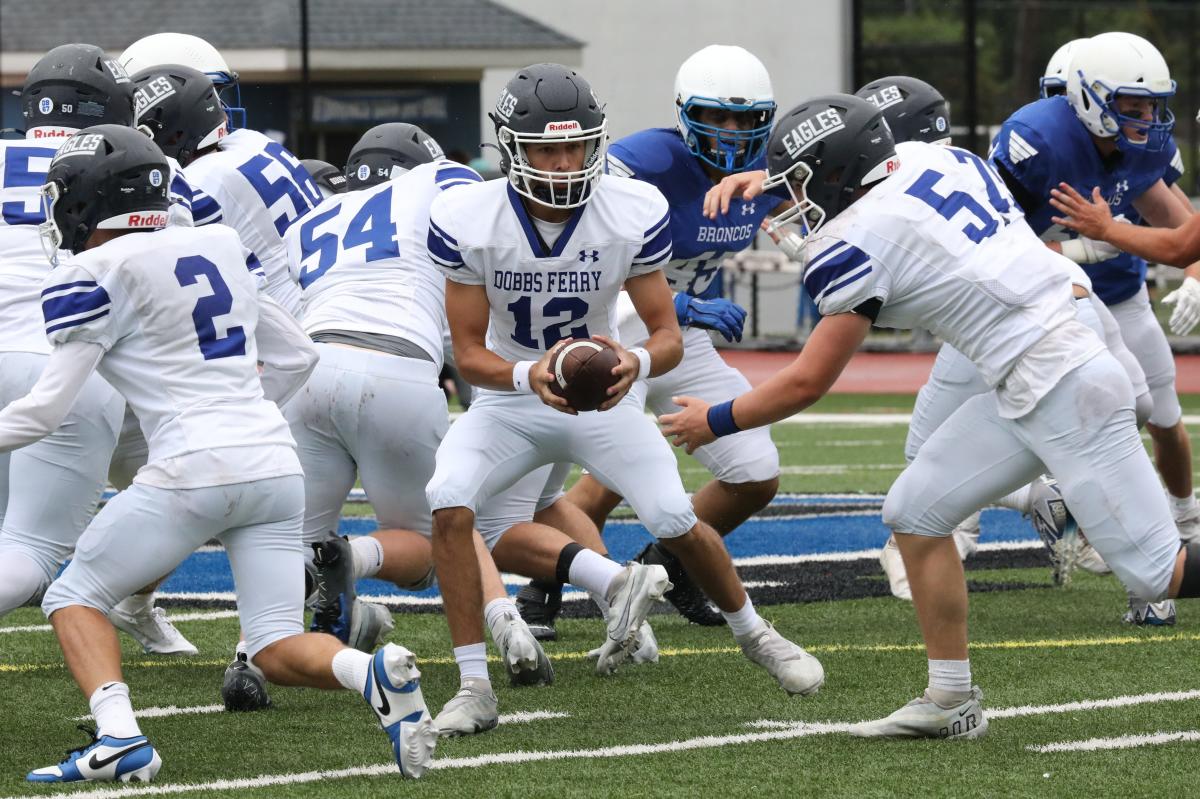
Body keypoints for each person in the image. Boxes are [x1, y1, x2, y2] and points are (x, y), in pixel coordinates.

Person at [661, 94, 1195, 738]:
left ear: (832, 173)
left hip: (1067, 383)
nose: (791, 203)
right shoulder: (934, 157)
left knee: (1159, 572)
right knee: (915, 512)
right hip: (1036, 367)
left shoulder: (855, 242)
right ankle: (952, 700)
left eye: (798, 183)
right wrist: (770, 181)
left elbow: (808, 381)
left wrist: (715, 420)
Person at [17, 125, 437, 782]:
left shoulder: (94, 269)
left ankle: (121, 735)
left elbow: (45, 409)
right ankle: (371, 672)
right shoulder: (218, 244)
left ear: (87, 199)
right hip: (273, 466)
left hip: (191, 466)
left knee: (73, 594)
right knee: (270, 644)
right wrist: (248, 408)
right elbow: (298, 354)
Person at [425, 63, 824, 731]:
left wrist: (628, 362)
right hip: (512, 397)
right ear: (511, 148)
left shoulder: (630, 209)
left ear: (596, 143)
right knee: (447, 499)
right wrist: (530, 376)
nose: (561, 162)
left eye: (574, 145)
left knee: (673, 515)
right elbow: (468, 353)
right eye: (546, 147)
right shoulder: (470, 216)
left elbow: (666, 336)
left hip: (608, 396)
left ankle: (759, 635)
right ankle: (472, 683)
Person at [281, 123, 554, 725]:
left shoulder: (312, 220)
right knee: (438, 536)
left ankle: (251, 657)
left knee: (289, 543)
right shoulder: (440, 182)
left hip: (309, 366)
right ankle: (360, 559)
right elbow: (500, 222)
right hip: (397, 366)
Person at [523, 44, 786, 636]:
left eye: (745, 119)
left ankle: (667, 563)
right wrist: (680, 301)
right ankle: (543, 588)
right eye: (717, 116)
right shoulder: (643, 161)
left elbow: (825, 206)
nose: (732, 132)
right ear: (684, 112)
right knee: (603, 472)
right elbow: (580, 250)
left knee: (755, 470)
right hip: (608, 327)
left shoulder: (769, 169)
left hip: (681, 340)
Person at [0, 43, 195, 655]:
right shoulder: (143, 168)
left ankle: (141, 605)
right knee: (34, 549)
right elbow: (177, 271)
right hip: (69, 361)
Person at [989, 32, 1200, 568]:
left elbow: (1180, 237)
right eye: (1134, 106)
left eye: (1152, 106)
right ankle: (998, 512)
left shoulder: (1136, 147)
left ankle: (1171, 523)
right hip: (1038, 304)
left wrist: (1186, 269)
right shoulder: (1043, 140)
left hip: (1117, 296)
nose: (1148, 119)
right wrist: (1080, 246)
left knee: (1150, 408)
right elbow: (992, 235)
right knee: (1010, 420)